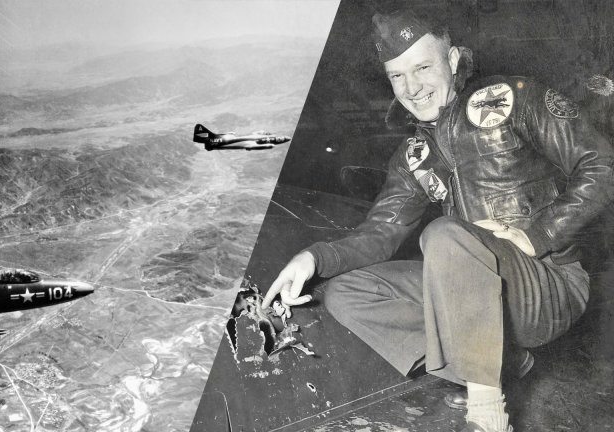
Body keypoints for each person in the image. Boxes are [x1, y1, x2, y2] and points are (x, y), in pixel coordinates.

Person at [261, 9, 614, 432]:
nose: (411, 88)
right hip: (474, 298)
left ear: (453, 60)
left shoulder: (514, 98)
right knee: (346, 292)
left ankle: (487, 416)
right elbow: (380, 232)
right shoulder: (412, 156)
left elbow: (602, 164)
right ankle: (497, 360)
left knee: (443, 234)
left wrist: (538, 234)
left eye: (423, 68)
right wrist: (313, 258)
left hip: (547, 282)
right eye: (397, 76)